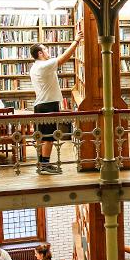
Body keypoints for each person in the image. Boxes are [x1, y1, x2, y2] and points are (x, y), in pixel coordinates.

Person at [28, 32, 82, 175]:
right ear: (40, 53)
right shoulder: (44, 66)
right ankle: (45, 164)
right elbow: (64, 58)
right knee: (49, 138)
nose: (48, 51)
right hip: (48, 105)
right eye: (45, 49)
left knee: (43, 136)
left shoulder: (35, 67)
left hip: (40, 105)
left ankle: (42, 163)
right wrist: (76, 41)